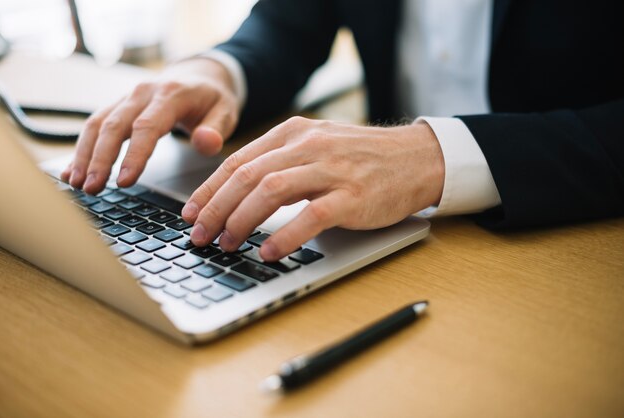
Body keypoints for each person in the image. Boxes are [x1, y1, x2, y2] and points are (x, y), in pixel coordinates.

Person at [61, 0, 624, 262]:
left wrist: (437, 156)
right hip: (378, 233)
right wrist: (220, 69)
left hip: (568, 242)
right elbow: (289, 23)